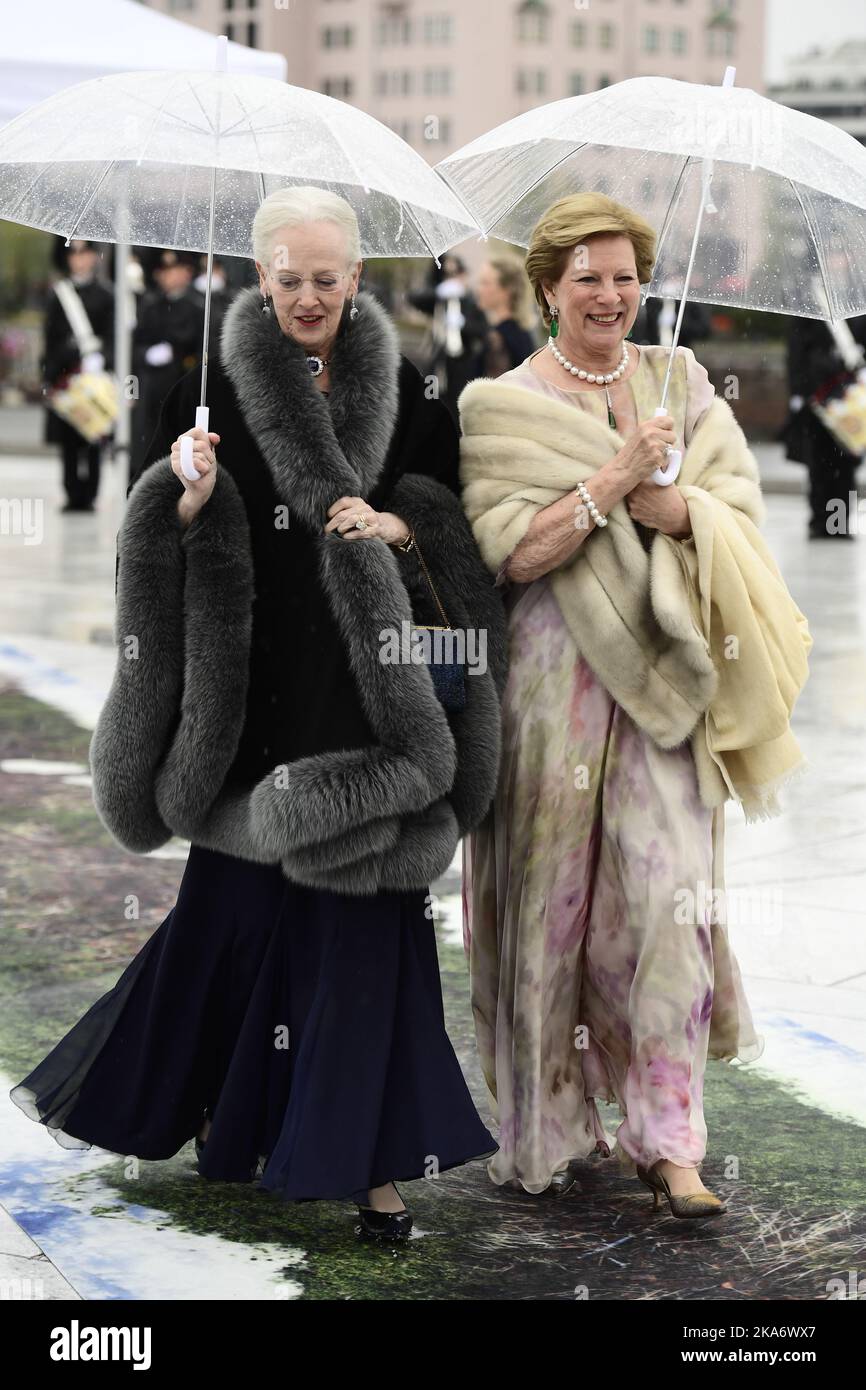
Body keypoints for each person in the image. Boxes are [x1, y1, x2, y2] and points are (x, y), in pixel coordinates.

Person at [11, 187, 507, 1242]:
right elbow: (149, 528)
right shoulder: (205, 380)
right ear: (260, 274)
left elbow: (445, 520)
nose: (309, 297)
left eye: (328, 280)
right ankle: (225, 1122)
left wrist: (397, 524)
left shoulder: (417, 384)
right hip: (251, 690)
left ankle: (376, 1168)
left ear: (358, 280)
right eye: (289, 280)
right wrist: (180, 492)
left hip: (368, 690)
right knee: (231, 920)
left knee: (369, 918)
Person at [458, 193, 812, 1218]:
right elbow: (511, 552)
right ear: (547, 289)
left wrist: (682, 506)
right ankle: (552, 1126)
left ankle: (669, 1141)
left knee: (665, 905)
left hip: (666, 684)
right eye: (587, 278)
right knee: (548, 912)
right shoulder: (497, 403)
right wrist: (613, 477)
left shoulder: (684, 381)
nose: (608, 295)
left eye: (623, 277)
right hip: (549, 690)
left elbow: (736, 511)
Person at [42, 238, 115, 513]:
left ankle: (91, 493)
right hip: (66, 376)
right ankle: (72, 492)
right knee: (68, 439)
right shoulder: (58, 295)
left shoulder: (106, 294)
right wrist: (51, 376)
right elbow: (50, 339)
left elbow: (112, 334)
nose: (79, 259)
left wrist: (103, 358)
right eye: (73, 254)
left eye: (84, 253)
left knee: (94, 436)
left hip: (95, 376)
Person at [783, 307, 866, 539]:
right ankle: (820, 521)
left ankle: (839, 524)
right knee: (819, 464)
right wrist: (798, 392)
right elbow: (796, 351)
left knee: (846, 466)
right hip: (817, 397)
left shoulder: (856, 305)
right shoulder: (810, 306)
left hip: (849, 396)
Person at [130, 249, 205, 481]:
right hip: (151, 392)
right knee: (145, 449)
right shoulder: (151, 305)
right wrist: (146, 355)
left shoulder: (198, 307)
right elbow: (135, 345)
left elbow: (201, 349)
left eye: (175, 270)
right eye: (165, 271)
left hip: (181, 389)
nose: (169, 276)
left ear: (187, 272)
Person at [408, 254, 488, 420]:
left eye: (456, 273)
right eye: (448, 275)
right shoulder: (440, 300)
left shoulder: (472, 302)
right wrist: (439, 291)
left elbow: (483, 330)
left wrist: (463, 324)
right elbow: (414, 298)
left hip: (463, 366)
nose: (452, 279)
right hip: (437, 365)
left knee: (457, 413)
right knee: (430, 406)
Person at [473, 254, 538, 378]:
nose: (478, 289)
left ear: (507, 290)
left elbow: (495, 391)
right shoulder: (521, 332)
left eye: (485, 283)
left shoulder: (497, 339)